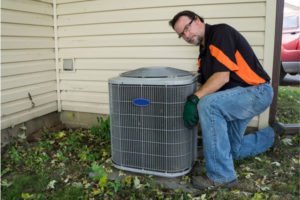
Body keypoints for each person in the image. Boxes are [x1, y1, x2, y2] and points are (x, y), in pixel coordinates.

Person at [169, 10, 276, 189]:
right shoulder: (203, 53)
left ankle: (221, 176)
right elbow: (208, 85)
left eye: (187, 28)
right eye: (182, 34)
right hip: (238, 98)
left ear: (198, 20)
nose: (186, 35)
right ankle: (270, 136)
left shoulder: (220, 33)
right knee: (231, 150)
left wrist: (194, 100)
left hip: (257, 92)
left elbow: (221, 78)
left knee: (208, 105)